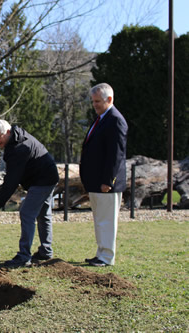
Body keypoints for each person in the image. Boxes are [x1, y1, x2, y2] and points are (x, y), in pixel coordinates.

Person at [0, 119, 59, 268]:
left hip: (43, 180)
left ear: (7, 132)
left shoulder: (20, 147)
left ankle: (24, 256)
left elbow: (12, 181)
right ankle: (45, 251)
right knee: (43, 214)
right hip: (45, 177)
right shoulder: (16, 139)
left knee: (26, 213)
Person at [80, 83, 128, 267]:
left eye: (98, 101)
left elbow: (116, 155)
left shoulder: (115, 120)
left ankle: (107, 257)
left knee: (107, 220)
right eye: (93, 102)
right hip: (95, 181)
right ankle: (101, 253)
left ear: (110, 99)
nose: (95, 105)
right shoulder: (101, 119)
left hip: (106, 182)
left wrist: (108, 180)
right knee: (100, 220)